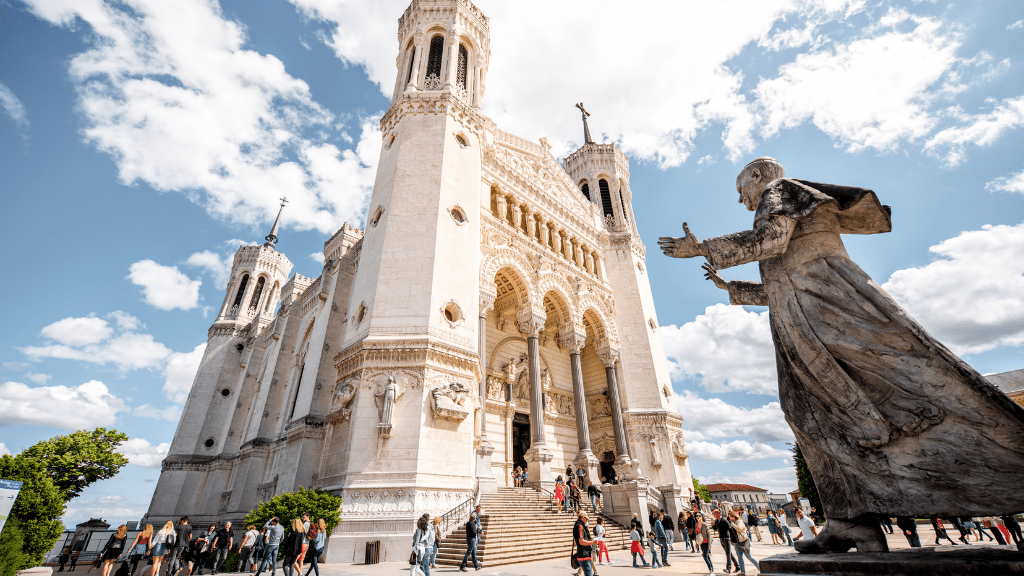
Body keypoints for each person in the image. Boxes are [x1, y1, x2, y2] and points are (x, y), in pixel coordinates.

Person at [660, 156, 1024, 555]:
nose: (743, 200)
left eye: (741, 189)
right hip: (804, 309)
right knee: (805, 410)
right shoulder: (787, 201)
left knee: (871, 392)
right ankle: (849, 520)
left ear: (758, 176)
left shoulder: (779, 192)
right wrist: (733, 289)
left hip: (824, 305)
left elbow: (773, 241)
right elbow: (778, 284)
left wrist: (702, 248)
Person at [729, 510, 759, 575]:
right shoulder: (733, 522)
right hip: (736, 542)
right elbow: (732, 532)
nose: (730, 519)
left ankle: (760, 568)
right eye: (729, 517)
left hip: (743, 541)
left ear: (734, 516)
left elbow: (739, 529)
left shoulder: (739, 521)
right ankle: (742, 572)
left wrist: (733, 524)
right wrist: (732, 540)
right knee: (739, 557)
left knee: (748, 556)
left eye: (730, 517)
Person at [711, 510, 738, 575]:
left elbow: (730, 529)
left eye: (714, 514)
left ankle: (728, 568)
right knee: (729, 554)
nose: (713, 515)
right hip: (721, 539)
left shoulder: (724, 520)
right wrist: (713, 526)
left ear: (718, 513)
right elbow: (716, 529)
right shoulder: (717, 521)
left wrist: (732, 539)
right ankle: (737, 566)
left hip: (726, 538)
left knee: (728, 554)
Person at [574, 512, 597, 576]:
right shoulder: (580, 526)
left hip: (583, 554)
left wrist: (588, 538)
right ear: (583, 517)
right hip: (584, 555)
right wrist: (593, 542)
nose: (587, 520)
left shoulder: (578, 525)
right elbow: (581, 541)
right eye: (586, 519)